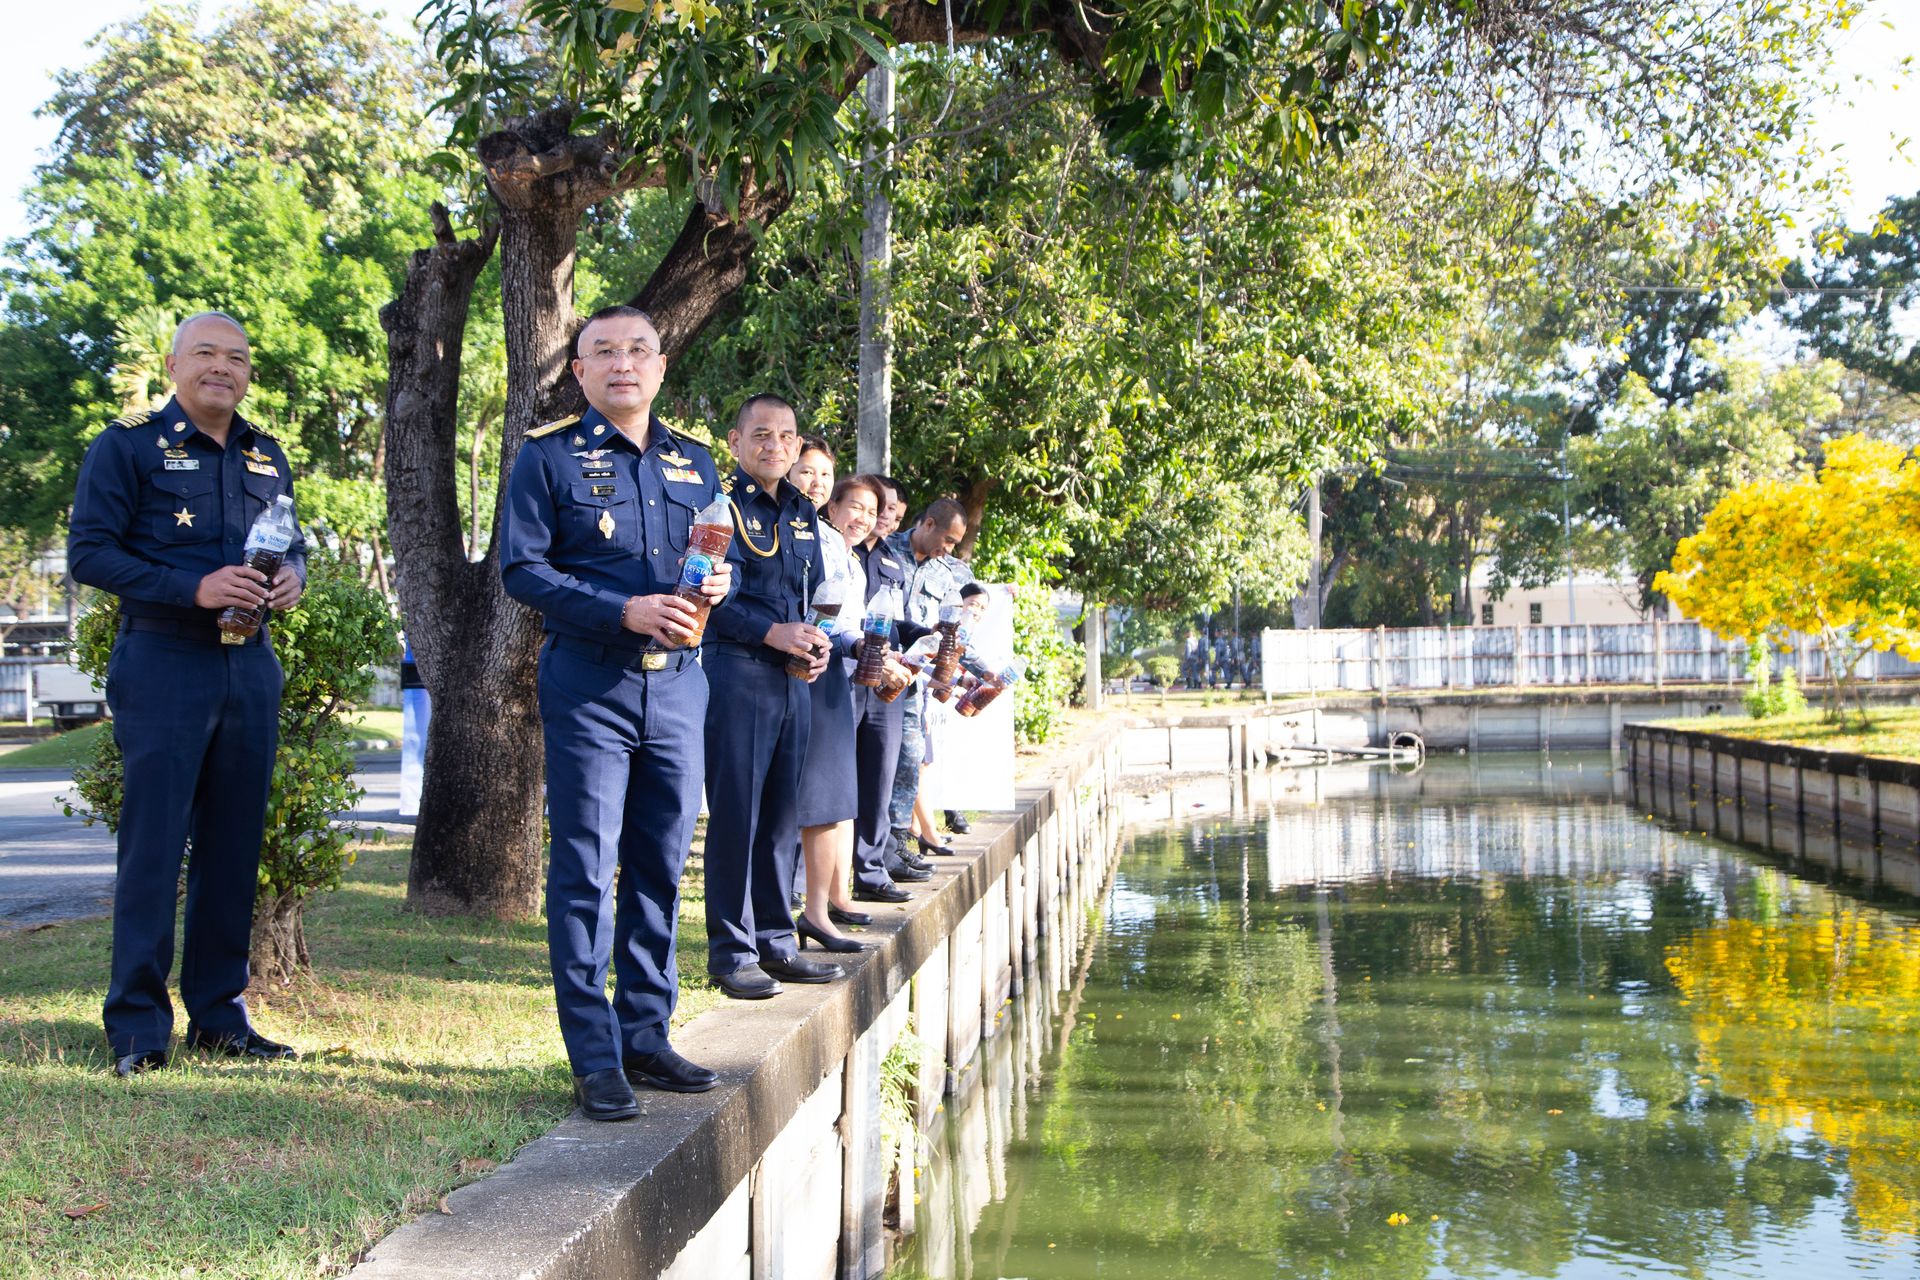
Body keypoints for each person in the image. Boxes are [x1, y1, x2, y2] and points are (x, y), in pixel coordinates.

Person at [500, 303, 732, 1121]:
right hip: (590, 685)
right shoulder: (548, 456)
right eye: (603, 351)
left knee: (661, 866)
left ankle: (646, 1034)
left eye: (638, 350)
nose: (622, 363)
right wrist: (622, 611)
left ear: (661, 366)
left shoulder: (695, 461)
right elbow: (523, 570)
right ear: (580, 371)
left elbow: (716, 554)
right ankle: (595, 1057)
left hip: (680, 687)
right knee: (586, 871)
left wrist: (719, 585)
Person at [68, 311, 305, 1076]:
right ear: (173, 365)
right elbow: (90, 554)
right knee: (156, 845)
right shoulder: (128, 445)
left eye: (236, 357)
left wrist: (294, 577)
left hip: (249, 663)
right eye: (205, 353)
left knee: (234, 847)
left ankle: (220, 1018)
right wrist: (192, 588)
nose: (221, 367)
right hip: (164, 658)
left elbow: (291, 542)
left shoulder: (266, 453)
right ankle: (138, 1028)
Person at [699, 394, 840, 1000]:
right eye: (760, 434)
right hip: (737, 673)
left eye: (785, 436)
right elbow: (708, 598)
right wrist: (770, 633)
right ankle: (732, 953)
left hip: (792, 678)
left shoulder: (804, 511)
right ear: (735, 442)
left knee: (783, 815)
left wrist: (815, 644)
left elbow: (813, 595)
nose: (774, 446)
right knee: (738, 816)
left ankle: (777, 942)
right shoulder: (719, 506)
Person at [788, 472, 891, 952]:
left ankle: (823, 905)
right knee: (815, 802)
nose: (863, 519)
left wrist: (868, 649)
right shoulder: (811, 539)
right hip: (801, 667)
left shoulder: (847, 556)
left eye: (872, 512)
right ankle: (805, 909)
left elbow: (843, 622)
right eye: (856, 508)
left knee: (833, 801)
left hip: (833, 670)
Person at [845, 477, 924, 903]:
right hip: (844, 674)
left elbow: (897, 622)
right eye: (877, 508)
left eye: (888, 511)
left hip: (887, 681)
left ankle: (872, 871)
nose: (883, 517)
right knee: (835, 780)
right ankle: (811, 884)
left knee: (879, 777)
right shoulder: (840, 550)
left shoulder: (892, 561)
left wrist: (927, 635)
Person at [885, 499, 974, 863]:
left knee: (911, 757)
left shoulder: (947, 573)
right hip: (878, 667)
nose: (948, 549)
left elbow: (957, 626)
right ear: (929, 524)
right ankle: (879, 851)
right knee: (879, 762)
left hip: (917, 679)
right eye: (948, 540)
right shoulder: (886, 549)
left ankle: (898, 844)